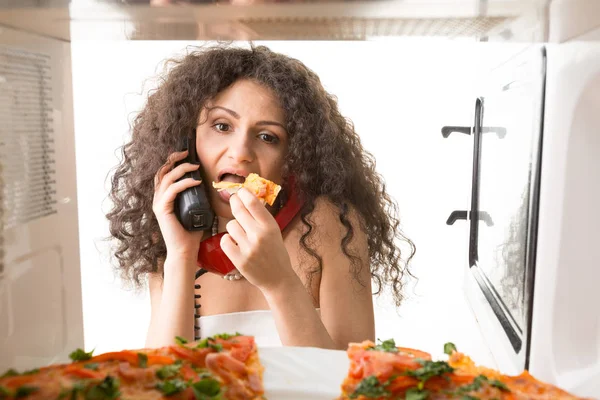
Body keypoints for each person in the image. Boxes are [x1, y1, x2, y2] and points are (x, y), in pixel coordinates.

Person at [106, 44, 414, 350]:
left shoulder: (330, 225)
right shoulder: (170, 230)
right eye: (222, 126)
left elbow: (347, 384)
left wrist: (280, 283)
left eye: (267, 137)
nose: (240, 154)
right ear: (188, 139)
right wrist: (181, 257)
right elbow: (160, 385)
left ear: (293, 155)